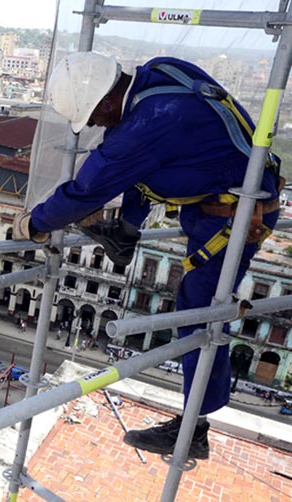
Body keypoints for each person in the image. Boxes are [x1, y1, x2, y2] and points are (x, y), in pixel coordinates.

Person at [14, 52, 281, 460]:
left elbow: (89, 189)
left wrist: (36, 224)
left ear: (105, 101)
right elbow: (151, 163)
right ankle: (126, 232)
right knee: (197, 302)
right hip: (219, 199)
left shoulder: (147, 124)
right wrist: (128, 226)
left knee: (201, 312)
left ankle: (194, 429)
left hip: (235, 214)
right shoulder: (161, 72)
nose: (97, 126)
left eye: (95, 118)